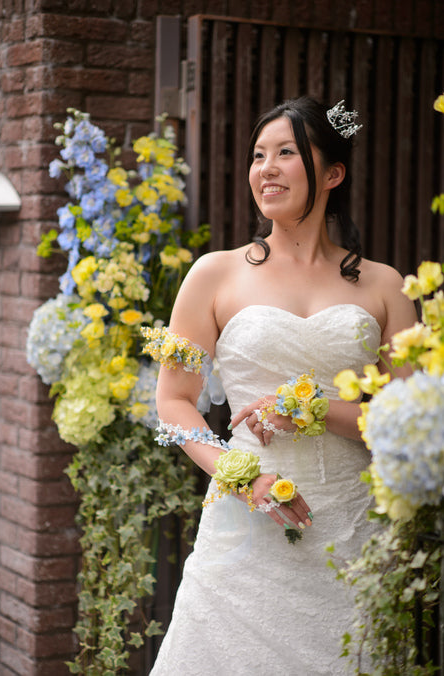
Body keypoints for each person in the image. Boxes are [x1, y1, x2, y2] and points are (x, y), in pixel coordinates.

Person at [149, 96, 417, 675]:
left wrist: (323, 409)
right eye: (258, 155)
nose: (265, 168)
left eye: (286, 153)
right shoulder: (213, 274)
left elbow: (411, 425)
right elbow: (172, 401)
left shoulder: (386, 287)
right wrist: (239, 475)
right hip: (244, 532)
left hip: (354, 533)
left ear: (333, 173)